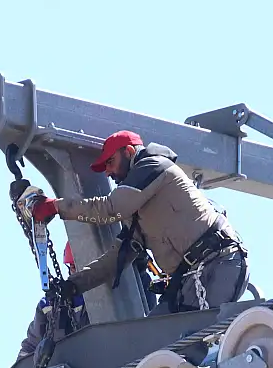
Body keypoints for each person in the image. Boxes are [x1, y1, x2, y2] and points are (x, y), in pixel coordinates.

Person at [28, 130, 251, 314]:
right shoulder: (137, 212)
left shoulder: (154, 166)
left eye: (110, 162)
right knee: (148, 345)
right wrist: (75, 285)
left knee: (172, 343)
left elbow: (110, 208)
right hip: (195, 277)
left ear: (129, 151)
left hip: (217, 265)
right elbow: (117, 259)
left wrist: (56, 206)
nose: (108, 173)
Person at [17, 241, 91, 361]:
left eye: (78, 266)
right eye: (72, 266)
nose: (75, 271)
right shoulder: (49, 306)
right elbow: (30, 348)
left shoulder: (108, 300)